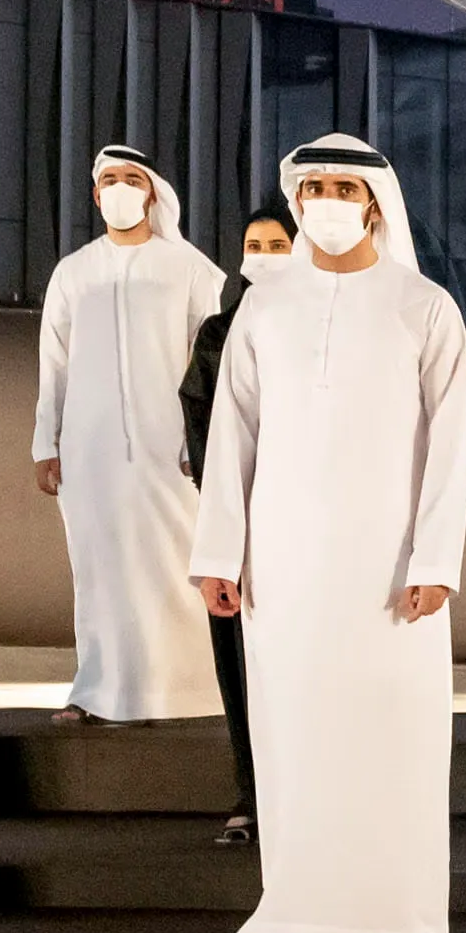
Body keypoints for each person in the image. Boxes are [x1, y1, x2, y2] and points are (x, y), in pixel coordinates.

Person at [196, 137, 466, 933]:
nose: (322, 198)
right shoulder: (265, 305)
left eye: (338, 185)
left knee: (390, 732)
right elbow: (231, 434)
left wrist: (435, 560)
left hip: (388, 563)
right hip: (282, 559)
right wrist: (220, 547)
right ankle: (286, 906)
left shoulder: (422, 305)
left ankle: (403, 912)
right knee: (289, 731)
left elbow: (453, 441)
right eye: (309, 185)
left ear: (373, 201)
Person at [30, 147, 224, 726]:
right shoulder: (74, 271)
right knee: (99, 570)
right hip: (89, 450)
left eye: (131, 179)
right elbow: (53, 363)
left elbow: (211, 360)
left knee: (177, 563)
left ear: (152, 192)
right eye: (109, 180)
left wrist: (202, 439)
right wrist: (46, 442)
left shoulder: (188, 268)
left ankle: (194, 693)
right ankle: (97, 693)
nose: (119, 188)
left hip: (172, 450)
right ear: (95, 196)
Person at [187, 208, 285, 840]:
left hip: (315, 527)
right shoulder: (219, 331)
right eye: (254, 244)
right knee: (241, 664)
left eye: (279, 244)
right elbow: (203, 425)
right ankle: (252, 797)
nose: (265, 254)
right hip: (239, 527)